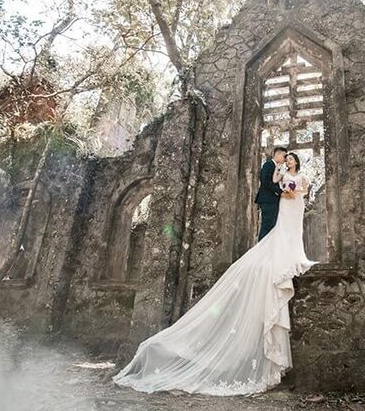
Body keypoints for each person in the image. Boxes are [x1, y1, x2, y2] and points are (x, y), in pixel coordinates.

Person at [113, 152, 317, 395]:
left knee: (289, 234)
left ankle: (293, 255)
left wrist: (294, 191)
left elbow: (302, 190)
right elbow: (273, 184)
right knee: (275, 235)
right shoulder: (276, 169)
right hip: (284, 204)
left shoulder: (298, 175)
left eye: (291, 157)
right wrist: (284, 190)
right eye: (287, 156)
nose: (288, 159)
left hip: (294, 206)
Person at [255, 146, 288, 241]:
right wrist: (280, 192)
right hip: (267, 200)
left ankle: (268, 250)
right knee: (267, 225)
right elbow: (265, 181)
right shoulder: (268, 165)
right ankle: (262, 250)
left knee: (272, 225)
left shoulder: (279, 168)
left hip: (274, 200)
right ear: (277, 154)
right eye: (284, 156)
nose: (285, 159)